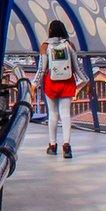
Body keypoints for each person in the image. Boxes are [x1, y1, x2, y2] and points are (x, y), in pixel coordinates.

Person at [31, 19, 84, 158]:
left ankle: (52, 145)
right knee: (65, 114)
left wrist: (34, 84)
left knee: (53, 114)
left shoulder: (45, 46)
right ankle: (67, 147)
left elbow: (41, 69)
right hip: (67, 82)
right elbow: (77, 68)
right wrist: (87, 81)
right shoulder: (69, 45)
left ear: (50, 31)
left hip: (51, 83)